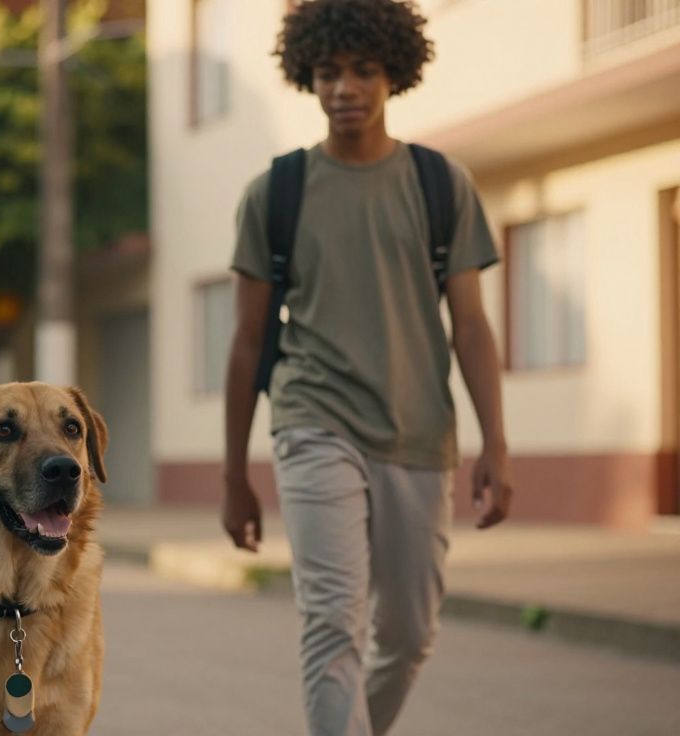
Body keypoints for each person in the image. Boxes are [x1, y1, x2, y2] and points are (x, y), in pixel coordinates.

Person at [221, 1, 514, 734]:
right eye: (327, 73)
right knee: (332, 623)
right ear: (306, 76)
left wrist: (497, 443)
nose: (343, 88)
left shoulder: (440, 185)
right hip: (313, 420)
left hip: (417, 431)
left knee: (409, 635)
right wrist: (233, 475)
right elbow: (247, 340)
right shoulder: (276, 193)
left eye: (361, 71)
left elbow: (472, 327)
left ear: (394, 74)